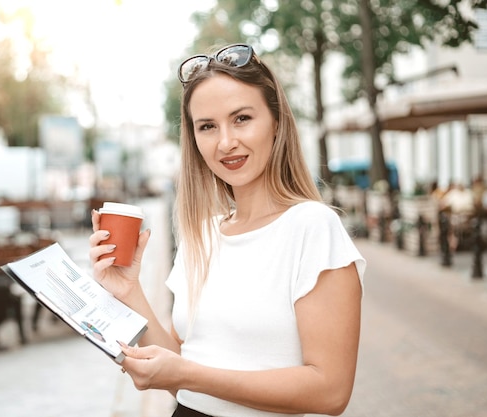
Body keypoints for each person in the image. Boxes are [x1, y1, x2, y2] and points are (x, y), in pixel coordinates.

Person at [89, 43, 366, 417]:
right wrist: (129, 290)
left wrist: (189, 373)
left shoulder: (312, 227)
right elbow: (180, 366)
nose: (225, 142)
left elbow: (330, 391)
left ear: (277, 123)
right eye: (207, 126)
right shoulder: (201, 235)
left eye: (242, 119)